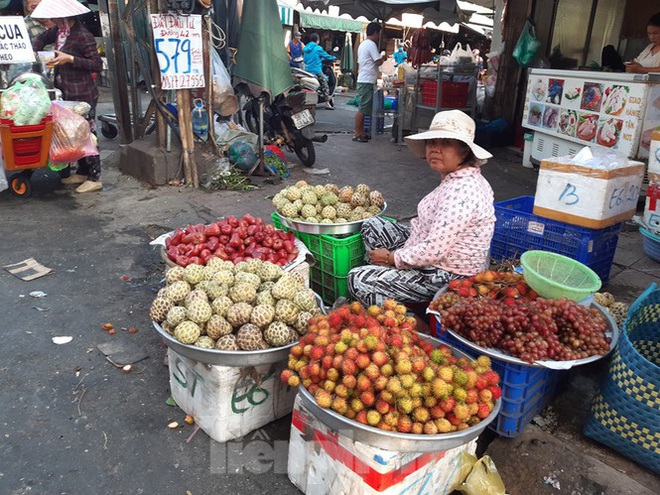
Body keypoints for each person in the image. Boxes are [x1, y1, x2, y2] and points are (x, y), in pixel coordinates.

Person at [347, 110, 495, 306]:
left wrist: (392, 258)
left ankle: (414, 322)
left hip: (448, 275)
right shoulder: (458, 178)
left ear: (464, 150)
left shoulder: (463, 191)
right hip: (432, 253)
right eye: (432, 142)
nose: (436, 149)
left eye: (446, 143)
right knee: (372, 224)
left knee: (358, 279)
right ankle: (391, 282)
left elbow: (434, 250)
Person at [31, 0, 104, 193]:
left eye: (54, 17)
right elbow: (40, 39)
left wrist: (69, 58)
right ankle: (81, 171)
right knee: (73, 134)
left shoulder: (82, 35)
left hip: (84, 93)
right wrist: (37, 54)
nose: (51, 20)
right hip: (66, 91)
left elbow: (96, 64)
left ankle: (95, 177)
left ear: (64, 16)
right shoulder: (58, 31)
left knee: (88, 134)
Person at [354, 22, 387, 142]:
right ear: (375, 32)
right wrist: (383, 57)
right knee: (363, 108)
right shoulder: (371, 45)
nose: (379, 37)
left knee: (365, 108)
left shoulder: (363, 44)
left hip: (365, 79)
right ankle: (357, 133)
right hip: (366, 80)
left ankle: (361, 132)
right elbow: (377, 61)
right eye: (379, 34)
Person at [303, 33, 337, 110]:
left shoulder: (306, 49)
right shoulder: (318, 48)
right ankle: (327, 103)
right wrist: (334, 58)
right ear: (317, 40)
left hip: (307, 71)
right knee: (325, 84)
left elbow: (305, 60)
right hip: (316, 70)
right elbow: (326, 56)